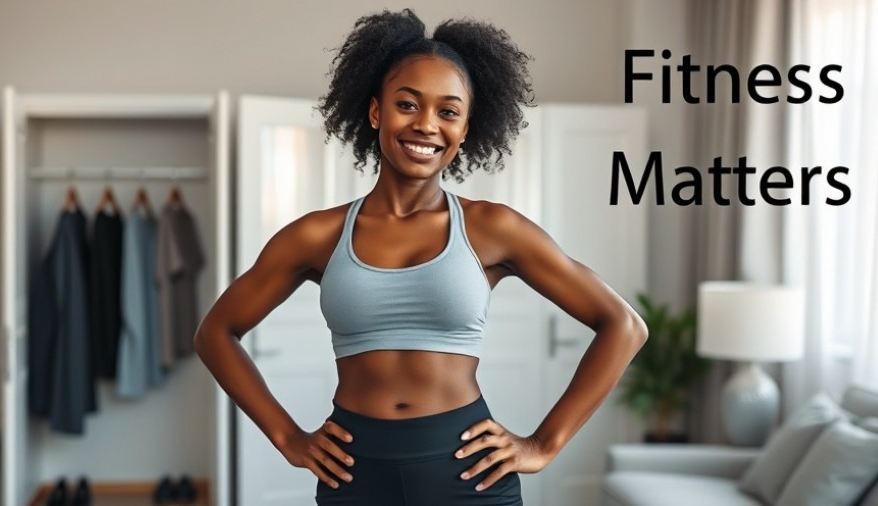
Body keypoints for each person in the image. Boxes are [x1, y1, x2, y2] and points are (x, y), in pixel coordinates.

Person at [194, 8, 647, 506]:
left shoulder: (492, 229)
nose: (426, 125)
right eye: (407, 104)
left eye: (448, 111)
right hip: (353, 473)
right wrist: (288, 438)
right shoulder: (315, 236)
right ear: (375, 113)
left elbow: (623, 325)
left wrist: (543, 444)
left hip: (468, 474)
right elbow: (215, 332)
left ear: (466, 128)